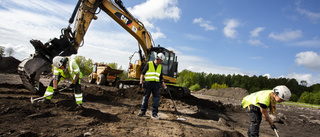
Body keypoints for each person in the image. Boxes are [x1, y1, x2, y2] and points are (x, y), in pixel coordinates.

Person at [137, 52, 167, 119]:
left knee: (156, 99)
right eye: (161, 60)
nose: (161, 62)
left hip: (156, 85)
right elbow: (142, 74)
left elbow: (161, 77)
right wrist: (141, 82)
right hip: (148, 84)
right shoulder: (149, 64)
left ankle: (154, 114)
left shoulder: (160, 67)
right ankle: (143, 112)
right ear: (157, 58)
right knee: (145, 98)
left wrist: (164, 85)